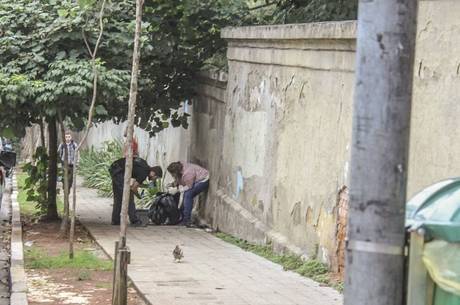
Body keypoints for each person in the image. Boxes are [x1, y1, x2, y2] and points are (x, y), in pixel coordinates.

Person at [109, 157, 162, 226]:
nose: (154, 180)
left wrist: (145, 186)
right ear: (153, 173)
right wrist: (138, 196)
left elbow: (135, 183)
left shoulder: (144, 167)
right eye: (156, 177)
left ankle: (115, 220)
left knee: (118, 197)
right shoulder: (144, 173)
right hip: (119, 171)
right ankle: (135, 221)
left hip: (115, 168)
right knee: (129, 197)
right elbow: (133, 188)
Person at [167, 161, 209, 227]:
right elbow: (179, 179)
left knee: (188, 195)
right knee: (185, 194)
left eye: (172, 174)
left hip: (203, 179)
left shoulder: (187, 173)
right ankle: (181, 217)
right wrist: (172, 184)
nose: (172, 175)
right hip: (194, 179)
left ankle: (186, 220)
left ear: (176, 172)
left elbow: (189, 186)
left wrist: (178, 190)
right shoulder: (180, 168)